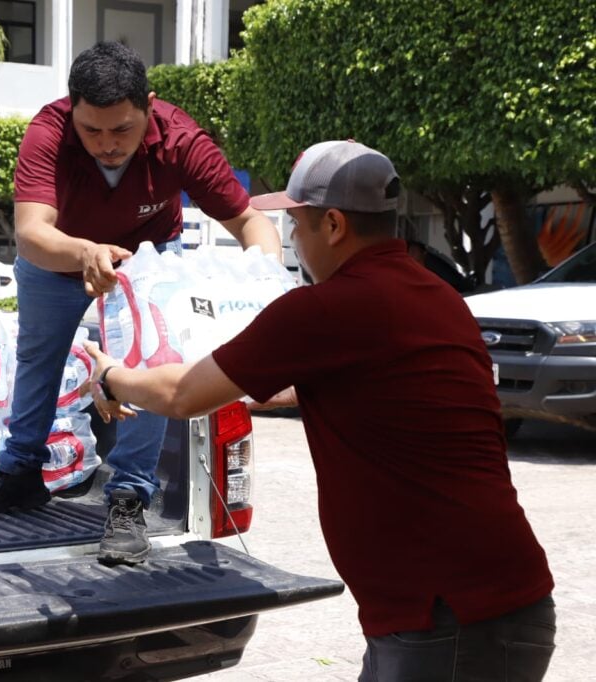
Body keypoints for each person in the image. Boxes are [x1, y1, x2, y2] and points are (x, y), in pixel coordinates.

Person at [82, 140, 556, 680]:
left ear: (333, 225)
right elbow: (339, 387)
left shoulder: (328, 309)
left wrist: (111, 376)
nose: (293, 242)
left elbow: (184, 394)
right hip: (472, 602)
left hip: (450, 613)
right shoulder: (434, 297)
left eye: (297, 226)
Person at [0, 41, 282, 566]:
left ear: (149, 107)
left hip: (146, 264)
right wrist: (84, 252)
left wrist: (262, 285)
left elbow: (250, 221)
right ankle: (20, 472)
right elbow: (32, 232)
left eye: (122, 130)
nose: (107, 144)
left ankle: (129, 498)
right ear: (71, 110)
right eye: (92, 131)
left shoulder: (181, 138)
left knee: (146, 368)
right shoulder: (48, 132)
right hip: (61, 256)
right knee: (39, 357)